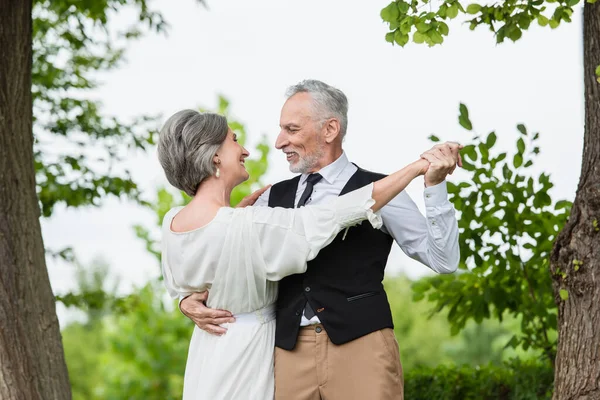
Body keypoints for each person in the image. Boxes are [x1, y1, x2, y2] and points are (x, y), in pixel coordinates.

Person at [180, 80, 462, 400]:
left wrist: (435, 188)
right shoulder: (269, 198)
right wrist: (189, 298)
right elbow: (226, 264)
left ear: (330, 129)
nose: (279, 141)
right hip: (287, 353)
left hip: (362, 346)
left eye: (292, 129)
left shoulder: (383, 190)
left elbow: (444, 260)